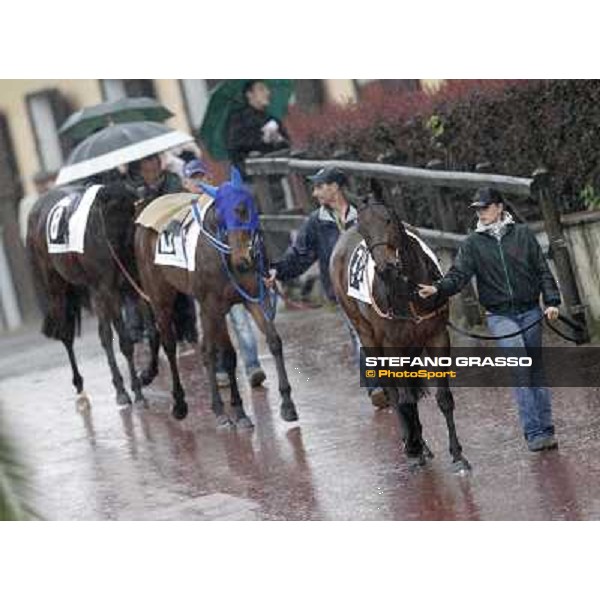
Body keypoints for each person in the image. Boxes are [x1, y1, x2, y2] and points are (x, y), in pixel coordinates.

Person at [418, 187, 561, 452]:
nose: (480, 213)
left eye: (484, 208)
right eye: (477, 209)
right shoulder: (472, 244)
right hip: (500, 315)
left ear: (498, 207)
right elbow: (459, 275)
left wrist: (552, 301)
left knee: (536, 371)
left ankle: (547, 427)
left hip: (530, 311)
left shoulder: (523, 235)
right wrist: (439, 288)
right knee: (520, 366)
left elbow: (542, 270)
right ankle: (534, 432)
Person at [264, 166, 386, 408]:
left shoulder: (364, 215)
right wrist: (278, 270)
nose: (314, 193)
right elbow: (300, 254)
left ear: (335, 187)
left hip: (377, 286)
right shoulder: (316, 223)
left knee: (384, 334)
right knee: (361, 334)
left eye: (319, 186)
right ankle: (376, 387)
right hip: (345, 293)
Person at [182, 159, 267, 389]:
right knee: (209, 323)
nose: (199, 182)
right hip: (204, 280)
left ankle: (252, 366)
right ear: (185, 183)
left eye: (202, 177)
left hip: (232, 277)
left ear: (209, 178)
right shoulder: (185, 213)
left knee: (241, 322)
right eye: (194, 178)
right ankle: (219, 367)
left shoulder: (225, 200)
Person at [127, 154, 198, 345]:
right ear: (141, 171)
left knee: (182, 288)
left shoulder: (173, 181)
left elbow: (178, 204)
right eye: (146, 170)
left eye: (154, 167)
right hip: (148, 245)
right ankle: (145, 329)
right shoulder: (134, 188)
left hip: (172, 238)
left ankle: (189, 330)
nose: (151, 172)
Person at [226, 80, 290, 176]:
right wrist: (262, 138)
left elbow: (287, 145)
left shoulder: (271, 119)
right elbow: (235, 145)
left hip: (276, 175)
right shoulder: (238, 119)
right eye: (261, 89)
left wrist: (278, 139)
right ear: (249, 94)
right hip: (251, 177)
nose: (267, 93)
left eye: (267, 89)